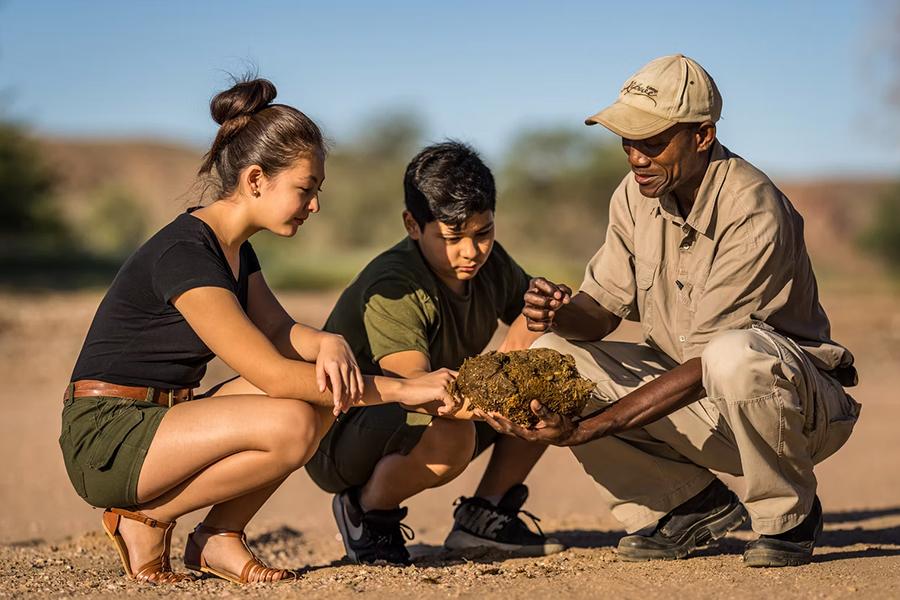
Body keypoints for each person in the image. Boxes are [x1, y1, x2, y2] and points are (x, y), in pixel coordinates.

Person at [58, 78, 458, 585]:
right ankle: (147, 519)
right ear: (254, 180)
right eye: (305, 189)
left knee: (318, 392)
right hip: (108, 434)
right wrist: (405, 389)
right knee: (291, 423)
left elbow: (276, 328)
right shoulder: (185, 254)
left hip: (166, 418)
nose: (314, 205)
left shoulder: (235, 249)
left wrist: (328, 342)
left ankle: (219, 536)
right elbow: (272, 374)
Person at [479, 54, 860, 568]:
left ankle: (789, 514)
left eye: (653, 142)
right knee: (550, 357)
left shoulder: (752, 208)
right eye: (627, 141)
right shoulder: (636, 197)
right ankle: (683, 504)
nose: (636, 157)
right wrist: (560, 312)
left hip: (793, 411)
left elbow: (711, 363)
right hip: (699, 397)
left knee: (734, 354)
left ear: (702, 136)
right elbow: (601, 314)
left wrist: (587, 429)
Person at [305, 141, 564, 565]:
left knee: (551, 373)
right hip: (343, 433)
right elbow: (423, 394)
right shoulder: (394, 284)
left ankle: (486, 514)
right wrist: (515, 351)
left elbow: (534, 320)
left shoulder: (490, 263)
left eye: (483, 233)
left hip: (437, 406)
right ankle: (367, 511)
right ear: (412, 224)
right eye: (451, 237)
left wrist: (550, 306)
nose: (471, 251)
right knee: (452, 433)